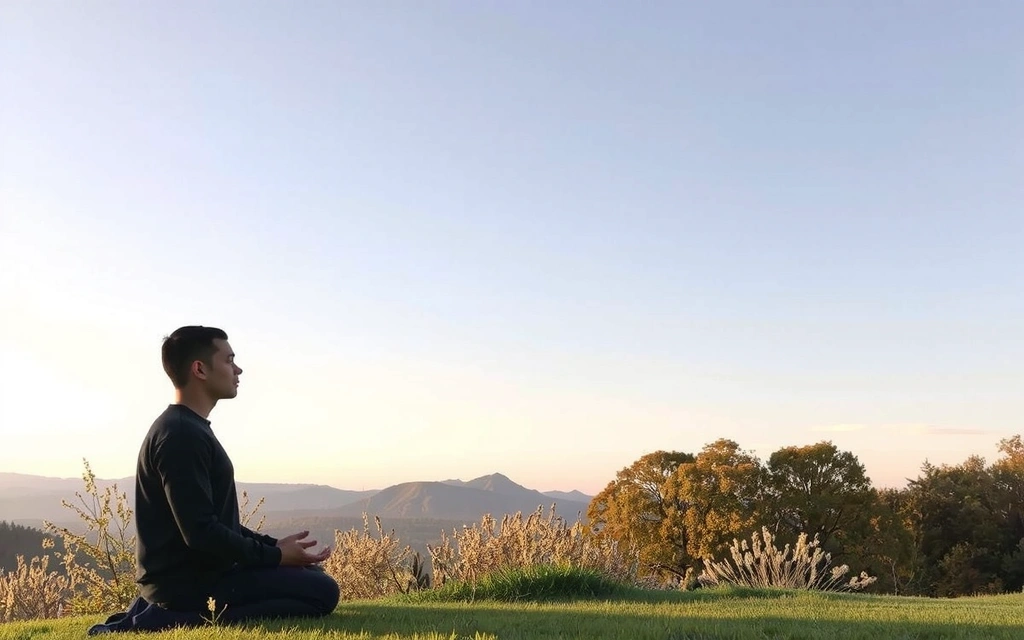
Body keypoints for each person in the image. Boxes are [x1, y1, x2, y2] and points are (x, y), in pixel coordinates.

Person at [89, 326, 340, 635]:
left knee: (312, 577)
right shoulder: (181, 435)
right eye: (229, 360)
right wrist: (275, 557)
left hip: (198, 576)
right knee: (323, 593)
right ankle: (161, 619)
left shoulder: (186, 427)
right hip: (188, 586)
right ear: (200, 369)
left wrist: (274, 546)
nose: (238, 369)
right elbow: (201, 533)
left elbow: (214, 520)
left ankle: (156, 611)